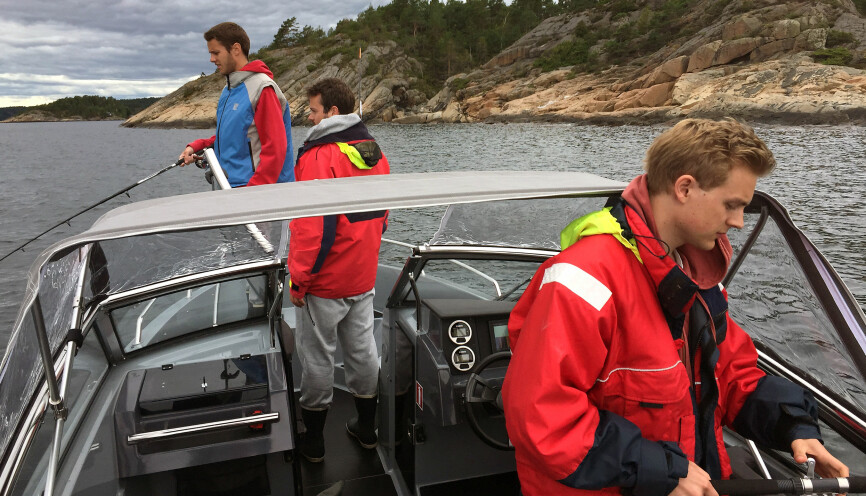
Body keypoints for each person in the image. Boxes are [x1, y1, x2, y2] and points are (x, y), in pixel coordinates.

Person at [502, 118, 849, 496]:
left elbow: (731, 374)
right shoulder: (583, 280)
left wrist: (793, 427)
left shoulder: (694, 274)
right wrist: (664, 471)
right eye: (731, 205)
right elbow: (541, 417)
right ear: (685, 187)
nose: (736, 222)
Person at [287, 77, 390, 462]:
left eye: (313, 111)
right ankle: (367, 430)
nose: (309, 118)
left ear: (331, 112)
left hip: (324, 282)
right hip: (362, 276)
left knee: (317, 360)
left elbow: (311, 229)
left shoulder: (318, 156)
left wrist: (300, 279)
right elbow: (382, 215)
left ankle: (313, 444)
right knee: (364, 353)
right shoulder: (373, 151)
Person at [178, 22, 294, 187]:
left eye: (216, 53)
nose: (212, 59)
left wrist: (251, 193)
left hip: (257, 194)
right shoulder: (228, 90)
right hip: (231, 189)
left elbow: (276, 149)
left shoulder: (263, 88)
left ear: (236, 49)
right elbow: (234, 137)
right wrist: (196, 147)